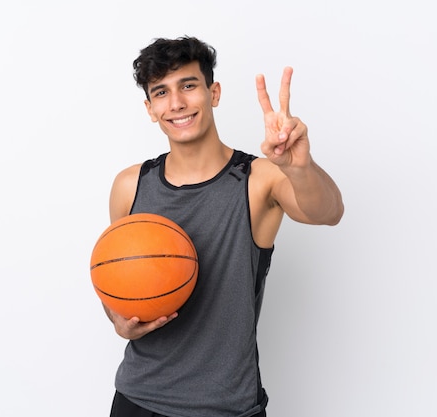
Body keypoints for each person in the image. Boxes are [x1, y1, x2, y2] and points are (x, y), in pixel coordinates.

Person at [103, 36, 344, 417]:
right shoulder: (131, 185)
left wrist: (300, 167)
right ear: (150, 109)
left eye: (188, 85)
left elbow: (328, 212)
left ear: (213, 92)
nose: (177, 103)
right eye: (161, 92)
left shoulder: (258, 179)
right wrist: (119, 320)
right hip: (137, 401)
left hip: (226, 407)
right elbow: (117, 276)